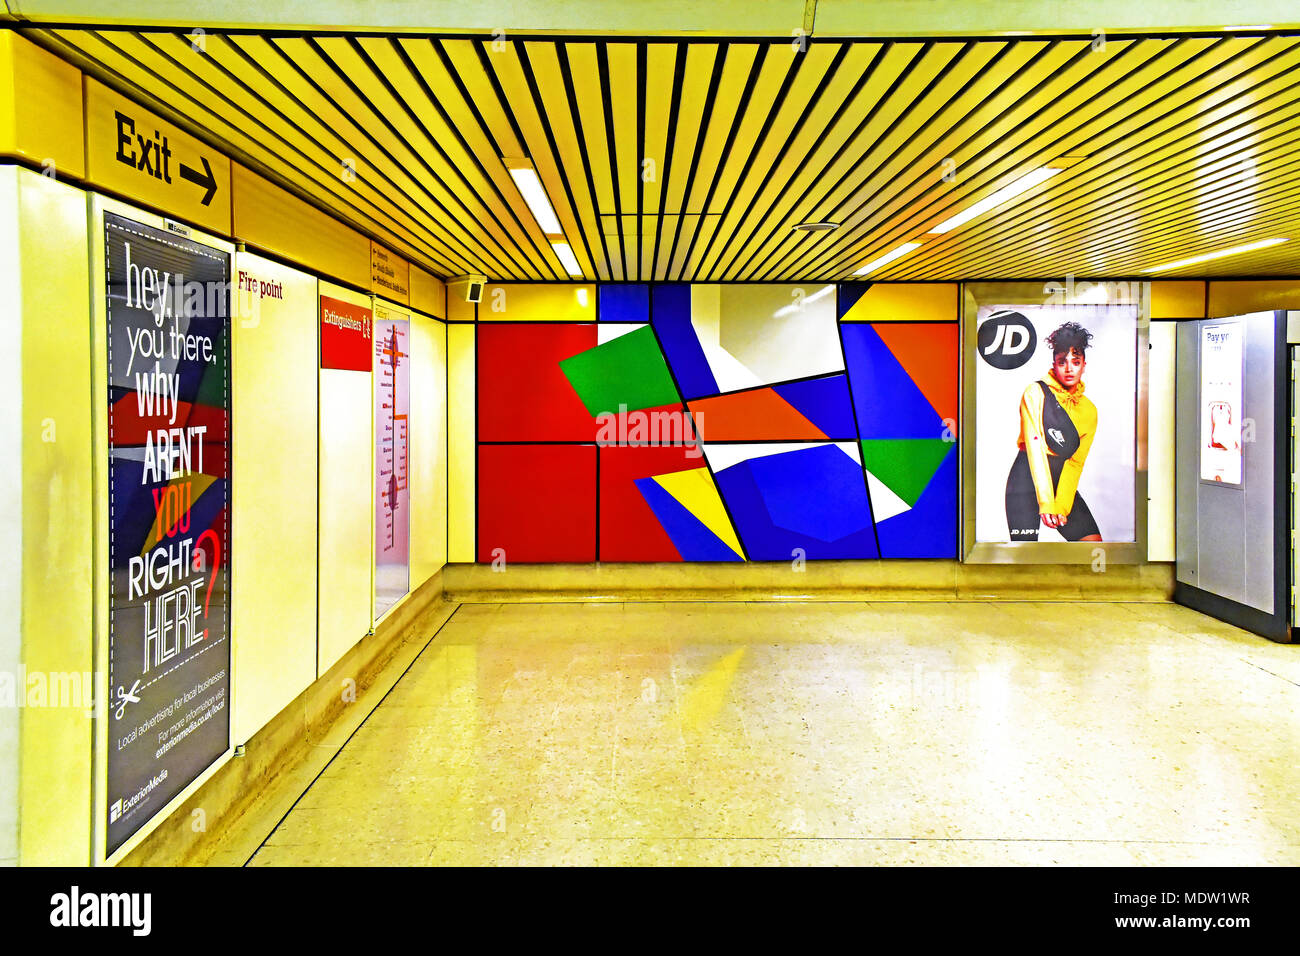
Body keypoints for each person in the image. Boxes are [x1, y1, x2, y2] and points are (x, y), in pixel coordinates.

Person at [1004, 321, 1102, 542]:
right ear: (1054, 364)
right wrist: (1047, 501)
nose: (1069, 369)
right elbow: (1035, 447)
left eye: (1075, 362)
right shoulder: (1035, 393)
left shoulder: (1089, 411)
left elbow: (1075, 463)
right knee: (1025, 555)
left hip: (1061, 477)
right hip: (1025, 476)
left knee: (1092, 545)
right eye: (1062, 362)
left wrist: (1061, 504)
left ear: (1084, 364)